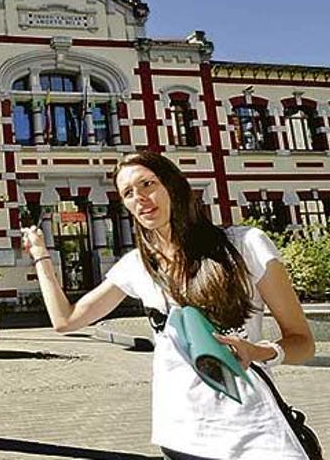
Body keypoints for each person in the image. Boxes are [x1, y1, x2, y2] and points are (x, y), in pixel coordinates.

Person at [22, 151, 315, 460]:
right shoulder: (137, 266)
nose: (140, 198)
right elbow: (65, 320)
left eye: (147, 184)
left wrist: (257, 351)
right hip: (181, 436)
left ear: (173, 185)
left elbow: (303, 343)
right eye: (128, 193)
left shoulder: (243, 245)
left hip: (253, 434)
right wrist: (42, 255)